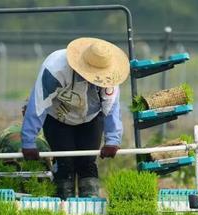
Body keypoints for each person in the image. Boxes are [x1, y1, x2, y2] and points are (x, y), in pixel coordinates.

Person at [21, 37, 129, 198]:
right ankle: (63, 207)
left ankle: (89, 208)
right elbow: (38, 104)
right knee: (65, 163)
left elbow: (111, 108)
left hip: (90, 118)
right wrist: (28, 141)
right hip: (58, 118)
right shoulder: (55, 69)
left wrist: (113, 140)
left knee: (87, 162)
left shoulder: (110, 76)